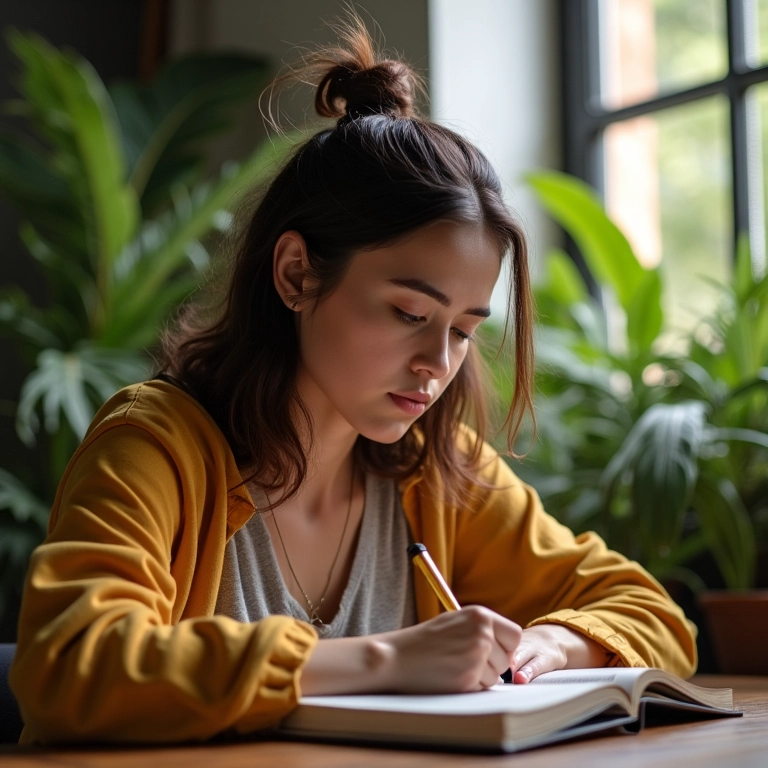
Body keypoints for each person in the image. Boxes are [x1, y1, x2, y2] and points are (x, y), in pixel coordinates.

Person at [9, 16, 696, 744]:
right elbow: (68, 664)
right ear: (297, 273)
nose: (439, 362)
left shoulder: (437, 472)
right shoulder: (156, 445)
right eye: (408, 312)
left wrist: (547, 648)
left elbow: (652, 613)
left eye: (464, 329)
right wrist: (382, 658)